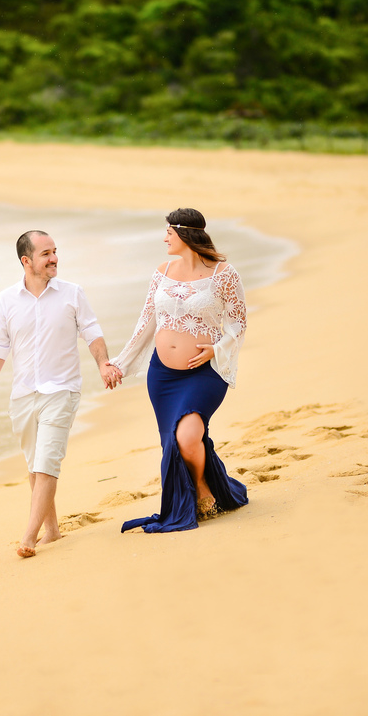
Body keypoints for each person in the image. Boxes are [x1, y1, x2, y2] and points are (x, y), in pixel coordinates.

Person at [0, 230, 121, 558]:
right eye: (45, 254)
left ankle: (29, 535)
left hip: (62, 390)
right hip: (23, 395)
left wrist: (103, 365)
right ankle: (52, 530)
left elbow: (92, 333)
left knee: (47, 462)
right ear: (26, 261)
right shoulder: (7, 300)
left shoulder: (72, 294)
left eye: (55, 251)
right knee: (34, 464)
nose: (54, 258)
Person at [108, 208, 248, 532]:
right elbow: (147, 322)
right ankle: (205, 488)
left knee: (187, 437)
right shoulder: (163, 270)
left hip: (204, 372)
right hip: (163, 376)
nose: (165, 238)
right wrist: (121, 363)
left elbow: (238, 322)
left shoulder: (223, 273)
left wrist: (217, 348)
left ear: (185, 234)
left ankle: (200, 489)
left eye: (169, 232)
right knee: (174, 441)